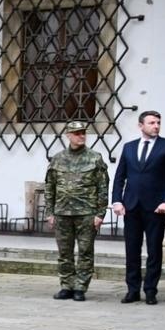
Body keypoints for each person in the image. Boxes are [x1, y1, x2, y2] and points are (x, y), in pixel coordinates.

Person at [111, 110, 165, 303]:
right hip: (131, 206)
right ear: (141, 126)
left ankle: (150, 290)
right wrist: (117, 201)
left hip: (156, 207)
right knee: (132, 250)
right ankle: (132, 290)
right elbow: (119, 177)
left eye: (158, 122)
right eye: (151, 123)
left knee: (154, 250)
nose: (156, 126)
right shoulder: (129, 147)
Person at [43, 120, 108, 301]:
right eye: (77, 133)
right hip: (62, 212)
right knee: (65, 252)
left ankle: (80, 287)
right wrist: (50, 212)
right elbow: (50, 187)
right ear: (68, 135)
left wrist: (100, 214)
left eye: (83, 133)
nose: (81, 136)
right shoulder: (57, 159)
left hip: (86, 213)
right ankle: (66, 286)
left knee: (85, 252)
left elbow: (102, 187)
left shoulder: (95, 158)